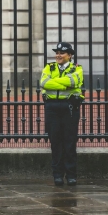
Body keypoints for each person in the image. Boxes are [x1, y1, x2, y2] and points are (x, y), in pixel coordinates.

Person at [40, 42, 84, 186]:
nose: (58, 55)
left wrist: (54, 82)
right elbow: (44, 83)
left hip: (69, 107)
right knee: (55, 142)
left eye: (62, 53)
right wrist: (64, 83)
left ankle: (71, 175)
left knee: (69, 142)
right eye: (57, 52)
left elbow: (74, 81)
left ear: (70, 55)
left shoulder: (77, 68)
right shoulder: (49, 67)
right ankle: (57, 175)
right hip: (52, 107)